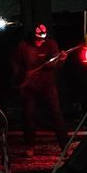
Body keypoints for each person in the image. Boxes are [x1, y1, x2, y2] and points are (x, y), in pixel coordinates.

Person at [13, 24, 68, 152]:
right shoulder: (23, 46)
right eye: (38, 38)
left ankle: (64, 146)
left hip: (47, 84)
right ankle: (30, 145)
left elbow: (55, 65)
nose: (40, 41)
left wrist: (61, 60)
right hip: (29, 86)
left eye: (42, 38)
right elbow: (15, 64)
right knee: (28, 114)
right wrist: (20, 77)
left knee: (56, 113)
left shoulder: (51, 44)